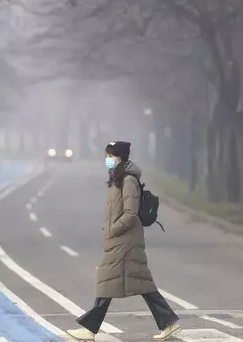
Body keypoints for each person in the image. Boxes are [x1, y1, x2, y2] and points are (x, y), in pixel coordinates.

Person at [66, 141, 181, 341]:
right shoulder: (118, 178)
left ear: (119, 158)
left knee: (108, 282)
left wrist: (112, 229)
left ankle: (89, 330)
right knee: (139, 283)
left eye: (110, 156)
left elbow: (130, 214)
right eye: (107, 156)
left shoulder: (128, 180)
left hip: (125, 241)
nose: (107, 160)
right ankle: (169, 322)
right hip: (121, 240)